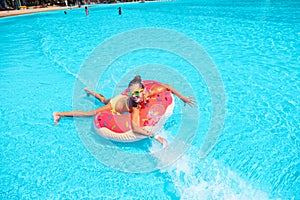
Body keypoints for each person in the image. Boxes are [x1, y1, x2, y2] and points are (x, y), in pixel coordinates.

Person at [53, 75, 195, 146]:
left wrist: (183, 98)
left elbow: (168, 86)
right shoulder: (135, 107)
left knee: (104, 99)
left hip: (120, 98)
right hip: (115, 105)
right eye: (133, 95)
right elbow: (136, 128)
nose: (137, 98)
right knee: (91, 112)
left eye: (138, 93)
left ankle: (90, 92)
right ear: (130, 95)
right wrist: (156, 137)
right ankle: (59, 113)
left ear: (144, 90)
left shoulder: (149, 93)